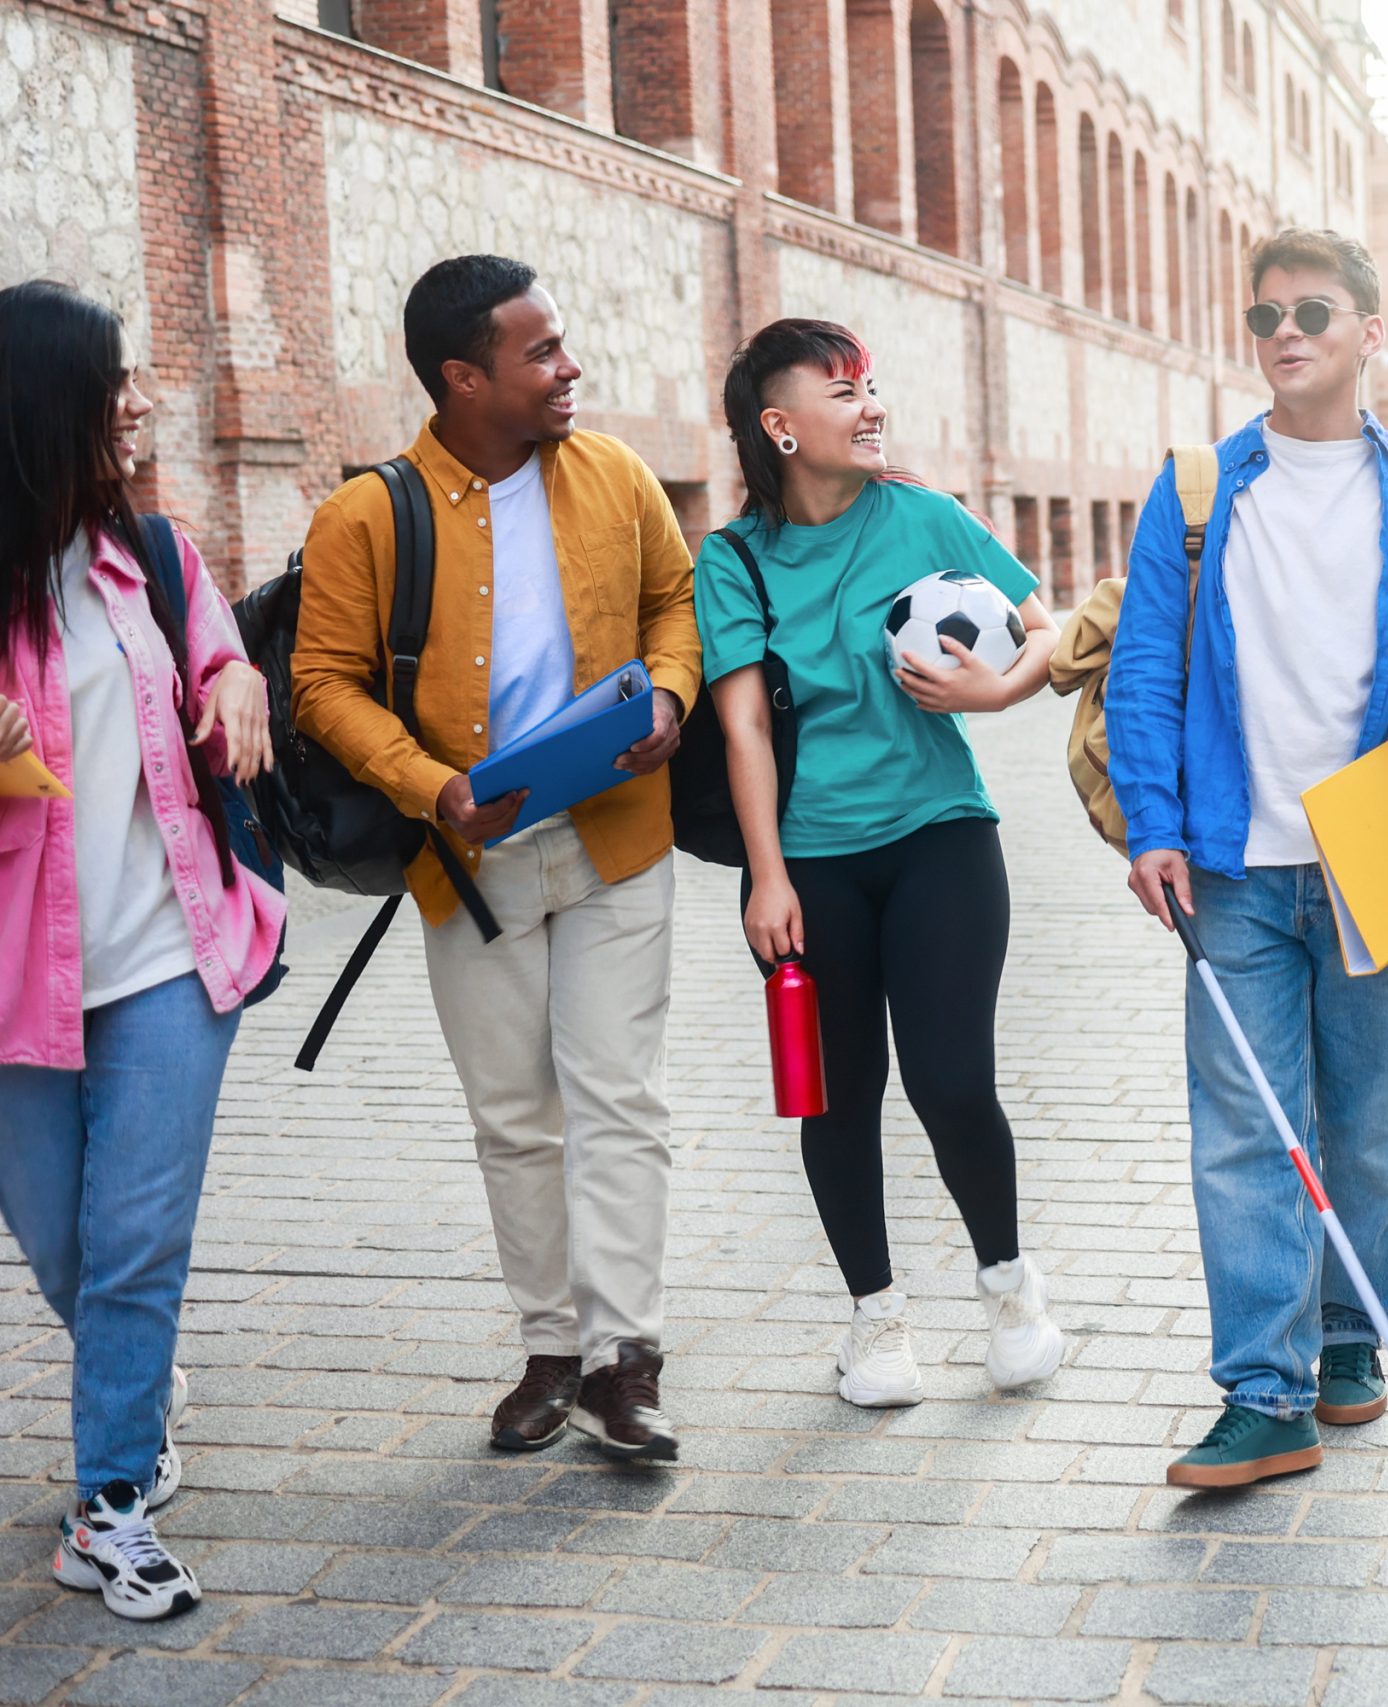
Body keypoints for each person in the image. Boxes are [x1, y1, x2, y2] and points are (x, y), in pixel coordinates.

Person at [1109, 228, 1388, 1488]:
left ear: (1367, 334)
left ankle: (1352, 1336)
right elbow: (1142, 674)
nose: (1285, 332)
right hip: (1233, 872)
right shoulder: (1194, 491)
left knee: (1370, 1131)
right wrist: (1154, 826)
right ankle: (1263, 1391)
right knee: (1244, 1129)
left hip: (1376, 863)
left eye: (1314, 312)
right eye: (1267, 314)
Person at [294, 255, 700, 1461]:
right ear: (465, 377)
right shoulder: (368, 514)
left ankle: (628, 1359)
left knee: (619, 1099)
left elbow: (676, 601)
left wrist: (670, 692)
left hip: (618, 840)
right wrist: (432, 786)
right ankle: (552, 1348)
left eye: (562, 346)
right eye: (541, 352)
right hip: (466, 863)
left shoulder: (617, 475)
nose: (569, 368)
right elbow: (320, 684)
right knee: (516, 1116)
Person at [698, 318, 1066, 1409]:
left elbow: (1045, 631)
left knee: (952, 1082)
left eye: (872, 387)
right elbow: (746, 732)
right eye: (844, 392)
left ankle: (1011, 1296)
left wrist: (992, 691)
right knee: (837, 1099)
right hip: (812, 868)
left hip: (942, 836)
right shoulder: (734, 562)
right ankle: (878, 1323)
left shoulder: (921, 515)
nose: (871, 407)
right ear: (780, 426)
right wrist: (768, 877)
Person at [0, 280, 285, 1618]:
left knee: (130, 1238)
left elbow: (221, 655)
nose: (134, 401)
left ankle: (105, 1503)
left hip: (172, 951)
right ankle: (136, 1371)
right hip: (15, 989)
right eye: (110, 379)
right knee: (62, 1247)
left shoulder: (154, 556)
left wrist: (236, 680)